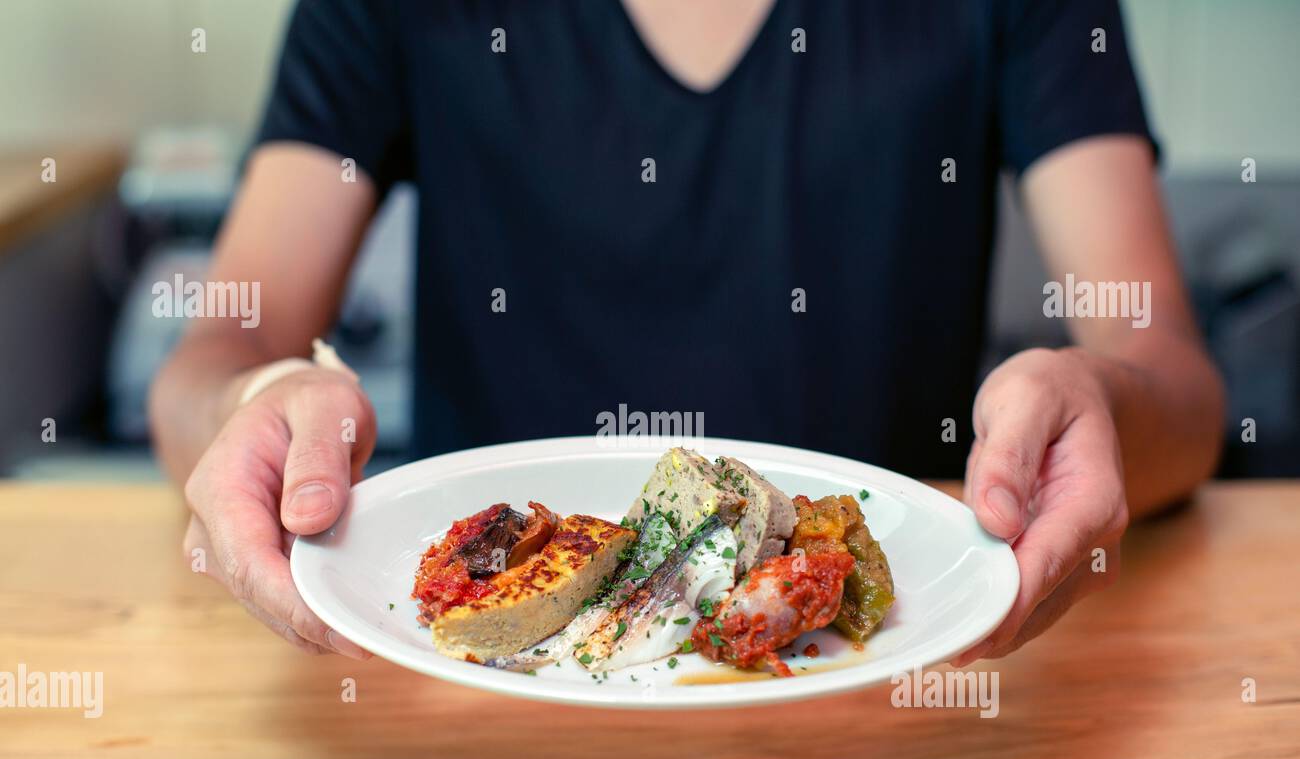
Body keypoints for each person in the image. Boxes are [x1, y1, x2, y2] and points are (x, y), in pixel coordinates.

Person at [150, 0, 1224, 664]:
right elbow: (213, 361)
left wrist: (1099, 404)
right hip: (464, 712)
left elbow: (1173, 386)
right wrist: (255, 408)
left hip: (877, 704)